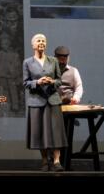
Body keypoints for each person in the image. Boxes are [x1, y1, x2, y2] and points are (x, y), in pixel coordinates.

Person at [23, 34, 66, 172]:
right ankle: (44, 161)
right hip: (37, 101)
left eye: (43, 41)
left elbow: (60, 81)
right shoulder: (27, 62)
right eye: (38, 41)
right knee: (40, 132)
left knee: (56, 131)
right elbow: (25, 83)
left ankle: (57, 161)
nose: (41, 43)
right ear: (33, 45)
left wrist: (52, 81)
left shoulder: (53, 61)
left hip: (52, 100)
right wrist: (37, 82)